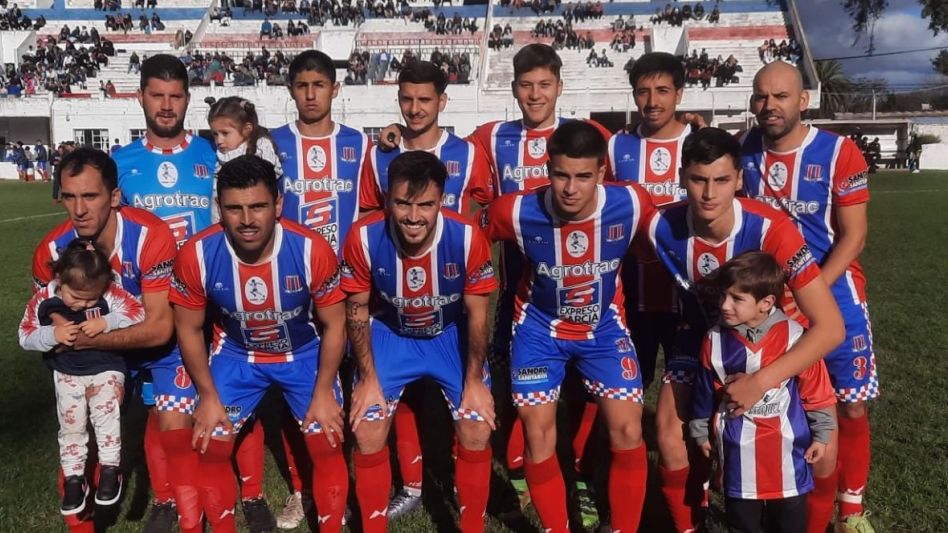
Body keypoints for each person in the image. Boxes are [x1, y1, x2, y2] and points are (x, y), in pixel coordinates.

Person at [647, 126, 846, 533]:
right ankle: (692, 523)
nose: (709, 193)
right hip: (701, 334)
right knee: (668, 431)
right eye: (699, 180)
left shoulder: (773, 229)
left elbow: (830, 328)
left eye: (721, 180)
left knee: (824, 443)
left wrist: (762, 380)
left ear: (739, 179)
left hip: (771, 336)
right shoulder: (658, 227)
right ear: (682, 176)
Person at [481, 121, 653, 533]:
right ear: (547, 169)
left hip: (605, 331)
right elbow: (466, 236)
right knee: (538, 434)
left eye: (582, 177)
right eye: (560, 175)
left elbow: (662, 243)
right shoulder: (516, 210)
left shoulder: (631, 202)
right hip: (539, 331)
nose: (570, 188)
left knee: (629, 429)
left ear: (601, 173)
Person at [171, 155, 350, 533]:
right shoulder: (197, 254)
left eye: (258, 206)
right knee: (212, 443)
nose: (247, 219)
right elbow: (188, 329)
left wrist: (322, 392)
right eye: (234, 208)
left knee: (327, 440)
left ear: (279, 204)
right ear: (219, 208)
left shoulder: (311, 249)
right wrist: (207, 395)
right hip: (238, 355)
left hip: (303, 355)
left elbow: (335, 325)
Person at [739, 60, 878, 533]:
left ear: (803, 100)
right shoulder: (744, 151)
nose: (769, 106)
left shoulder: (839, 152)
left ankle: (852, 509)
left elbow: (853, 236)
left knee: (851, 404)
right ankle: (785, 500)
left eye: (780, 96)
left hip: (836, 296)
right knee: (792, 404)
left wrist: (809, 290)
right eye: (761, 97)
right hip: (770, 306)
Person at [357, 60, 493, 519]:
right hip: (394, 313)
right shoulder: (379, 155)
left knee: (474, 423)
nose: (415, 108)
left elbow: (484, 208)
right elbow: (367, 220)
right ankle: (408, 486)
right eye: (406, 99)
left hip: (450, 309)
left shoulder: (470, 154)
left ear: (442, 101)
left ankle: (465, 505)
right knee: (373, 420)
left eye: (425, 99)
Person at [342, 150, 497, 533]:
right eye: (402, 203)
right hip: (392, 334)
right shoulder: (363, 236)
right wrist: (368, 378)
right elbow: (357, 310)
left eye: (426, 204)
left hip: (448, 336)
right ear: (386, 199)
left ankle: (471, 526)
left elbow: (478, 314)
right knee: (367, 425)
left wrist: (474, 382)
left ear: (442, 200)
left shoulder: (466, 237)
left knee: (477, 426)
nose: (413, 217)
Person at [32, 147, 179, 533]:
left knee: (174, 422)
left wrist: (87, 339)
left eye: (91, 196)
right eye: (69, 196)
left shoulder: (151, 236)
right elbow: (49, 333)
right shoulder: (49, 252)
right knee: (76, 440)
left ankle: (167, 501)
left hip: (152, 349)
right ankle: (81, 517)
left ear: (114, 197)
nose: (79, 209)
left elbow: (161, 328)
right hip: (92, 355)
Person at [111, 53, 218, 533]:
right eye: (157, 94)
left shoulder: (212, 155)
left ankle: (219, 487)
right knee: (159, 407)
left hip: (206, 302)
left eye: (176, 96)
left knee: (215, 400)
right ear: (140, 97)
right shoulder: (119, 163)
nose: (167, 105)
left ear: (188, 99)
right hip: (148, 307)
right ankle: (168, 498)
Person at [268, 49, 370, 529]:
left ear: (335, 89)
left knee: (354, 383)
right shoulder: (271, 144)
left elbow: (371, 209)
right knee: (303, 391)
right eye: (302, 85)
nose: (311, 94)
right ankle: (304, 488)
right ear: (291, 90)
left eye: (319, 85)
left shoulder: (361, 144)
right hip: (289, 289)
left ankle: (344, 482)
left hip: (348, 285)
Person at [689, 251, 837, 533]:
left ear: (766, 303)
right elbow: (705, 388)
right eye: (723, 296)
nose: (725, 305)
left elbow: (815, 388)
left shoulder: (795, 337)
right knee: (743, 525)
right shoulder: (714, 339)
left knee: (789, 525)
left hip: (788, 454)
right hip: (738, 452)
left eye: (736, 299)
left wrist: (822, 433)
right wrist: (698, 426)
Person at [19, 239, 145, 516]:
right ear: (58, 280)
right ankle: (74, 478)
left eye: (90, 299)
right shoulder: (43, 299)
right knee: (71, 426)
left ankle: (111, 470)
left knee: (105, 418)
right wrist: (52, 335)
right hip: (67, 372)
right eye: (75, 298)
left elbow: (139, 311)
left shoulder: (109, 293)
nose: (81, 305)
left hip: (106, 368)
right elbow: (25, 335)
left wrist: (107, 322)